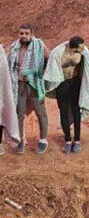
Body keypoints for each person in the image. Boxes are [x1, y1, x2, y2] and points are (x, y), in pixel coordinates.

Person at [8, 25, 48, 154]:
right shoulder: (14, 48)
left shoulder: (40, 46)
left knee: (40, 113)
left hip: (35, 85)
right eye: (21, 33)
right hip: (19, 85)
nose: (23, 36)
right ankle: (20, 141)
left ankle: (43, 140)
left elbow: (50, 61)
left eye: (26, 33)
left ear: (32, 33)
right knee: (19, 114)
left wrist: (43, 79)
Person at [50, 36, 89, 154]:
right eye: (80, 47)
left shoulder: (82, 53)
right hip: (62, 83)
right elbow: (52, 64)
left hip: (75, 82)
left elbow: (87, 65)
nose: (83, 49)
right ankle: (67, 139)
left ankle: (77, 140)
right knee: (63, 110)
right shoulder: (59, 52)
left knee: (76, 109)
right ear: (74, 47)